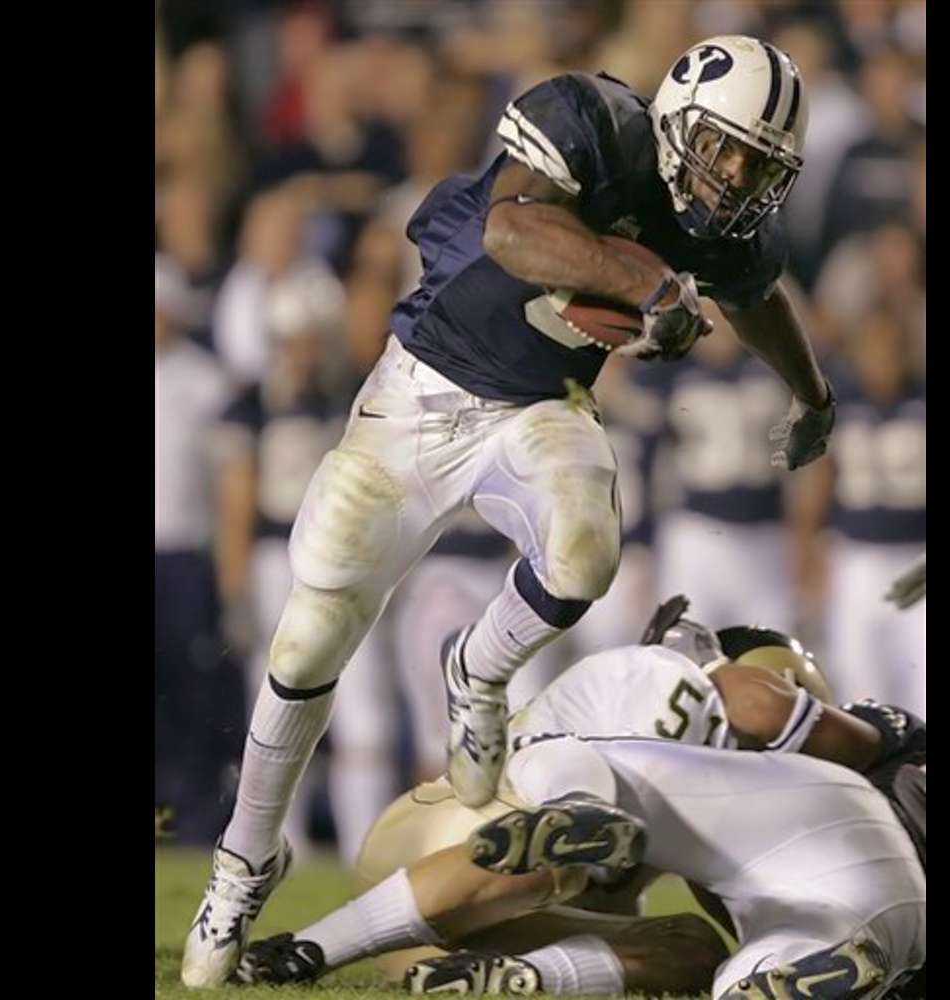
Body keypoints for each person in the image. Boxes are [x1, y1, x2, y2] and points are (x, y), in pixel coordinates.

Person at [182, 35, 837, 987]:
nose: (735, 176)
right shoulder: (596, 124)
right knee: (308, 640)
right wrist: (647, 282)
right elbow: (512, 231)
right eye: (726, 146)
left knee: (583, 546)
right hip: (421, 395)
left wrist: (814, 396)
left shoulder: (722, 227)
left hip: (539, 408)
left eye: (759, 164)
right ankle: (245, 863)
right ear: (678, 118)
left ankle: (475, 671)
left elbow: (758, 294)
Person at [234, 600, 925, 998]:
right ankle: (576, 819)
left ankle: (321, 952)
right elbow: (758, 705)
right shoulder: (681, 687)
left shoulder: (674, 715)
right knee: (589, 832)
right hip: (496, 840)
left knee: (692, 948)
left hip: (434, 875)